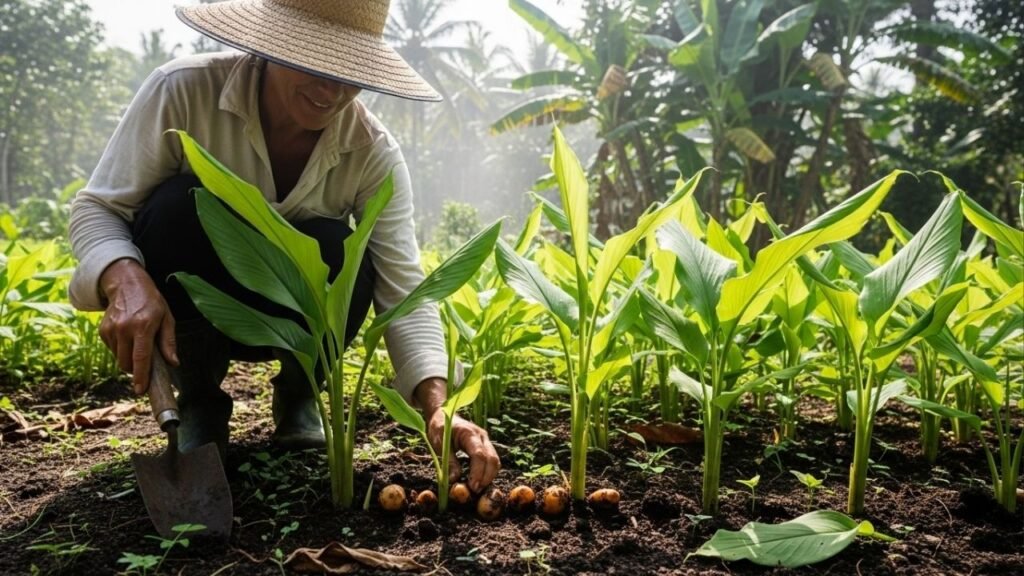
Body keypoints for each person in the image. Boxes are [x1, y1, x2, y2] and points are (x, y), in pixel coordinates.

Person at [67, 0, 500, 493]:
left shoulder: (370, 150)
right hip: (193, 309)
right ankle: (201, 401)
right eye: (314, 63)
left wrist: (440, 408)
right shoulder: (183, 92)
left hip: (295, 323)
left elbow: (405, 287)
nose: (331, 91)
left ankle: (299, 391)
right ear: (271, 45)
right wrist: (123, 275)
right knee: (175, 208)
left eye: (352, 72)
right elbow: (97, 209)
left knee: (345, 250)